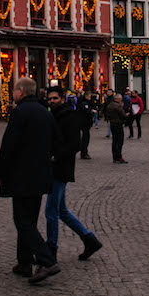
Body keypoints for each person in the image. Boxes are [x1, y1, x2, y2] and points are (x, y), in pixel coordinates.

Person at [0, 77, 60, 284]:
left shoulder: (20, 112)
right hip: (40, 173)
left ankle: (47, 261)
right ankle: (24, 262)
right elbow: (56, 141)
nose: (13, 94)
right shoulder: (45, 112)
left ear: (21, 92)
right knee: (29, 218)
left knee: (22, 220)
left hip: (22, 174)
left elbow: (9, 145)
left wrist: (0, 173)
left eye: (14, 90)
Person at [44, 87, 103, 262]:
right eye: (49, 99)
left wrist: (55, 156)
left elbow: (74, 144)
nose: (51, 101)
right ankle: (89, 239)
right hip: (57, 167)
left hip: (60, 168)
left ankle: (51, 249)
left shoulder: (69, 116)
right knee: (61, 210)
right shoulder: (54, 115)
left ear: (62, 98)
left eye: (54, 98)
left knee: (51, 211)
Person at [105, 93, 127, 163]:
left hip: (112, 123)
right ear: (118, 99)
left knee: (114, 141)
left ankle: (115, 157)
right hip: (118, 124)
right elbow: (123, 115)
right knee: (119, 141)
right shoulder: (118, 106)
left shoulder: (110, 105)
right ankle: (119, 156)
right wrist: (126, 116)